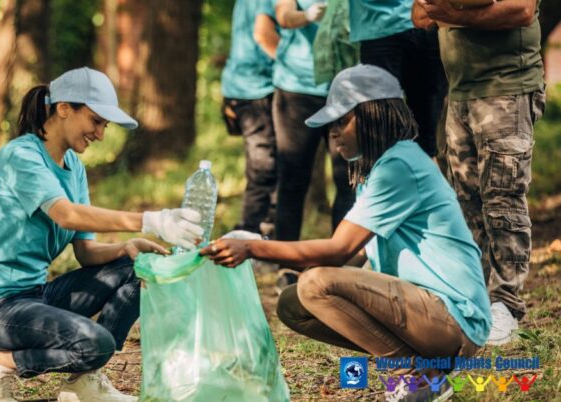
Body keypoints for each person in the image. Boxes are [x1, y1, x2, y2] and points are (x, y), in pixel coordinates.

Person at [200, 65, 491, 402]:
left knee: (316, 284)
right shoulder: (378, 170)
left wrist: (253, 249)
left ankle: (418, 374)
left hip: (453, 319)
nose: (333, 134)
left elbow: (338, 250)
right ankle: (422, 368)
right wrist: (263, 246)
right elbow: (355, 256)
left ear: (371, 115)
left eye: (341, 122)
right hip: (424, 312)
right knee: (294, 303)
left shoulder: (400, 166)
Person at [0, 67, 204, 402]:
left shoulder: (74, 167)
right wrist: (150, 220)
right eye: (96, 121)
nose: (101, 134)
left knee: (140, 264)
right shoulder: (21, 156)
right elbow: (66, 214)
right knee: (95, 343)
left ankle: (83, 383)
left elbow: (86, 252)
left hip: (37, 295)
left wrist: (127, 247)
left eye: (104, 125)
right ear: (64, 109)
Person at [413, 0, 544, 345]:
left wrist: (454, 14)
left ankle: (506, 304)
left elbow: (521, 11)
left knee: (503, 199)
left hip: (507, 89)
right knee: (466, 203)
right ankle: (479, 299)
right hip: (460, 93)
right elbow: (420, 14)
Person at [270, 0, 355, 288]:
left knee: (348, 180)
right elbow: (283, 16)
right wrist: (307, 15)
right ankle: (287, 266)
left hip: (345, 88)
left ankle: (340, 264)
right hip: (297, 89)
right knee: (293, 179)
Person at [349, 0, 447, 160]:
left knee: (427, 135)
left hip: (427, 23)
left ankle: (423, 179)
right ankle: (384, 181)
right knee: (379, 130)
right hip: (378, 29)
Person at [221, 0, 279, 235]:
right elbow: (263, 35)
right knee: (264, 166)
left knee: (269, 165)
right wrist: (294, 67)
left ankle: (263, 232)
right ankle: (249, 232)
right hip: (254, 89)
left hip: (243, 86)